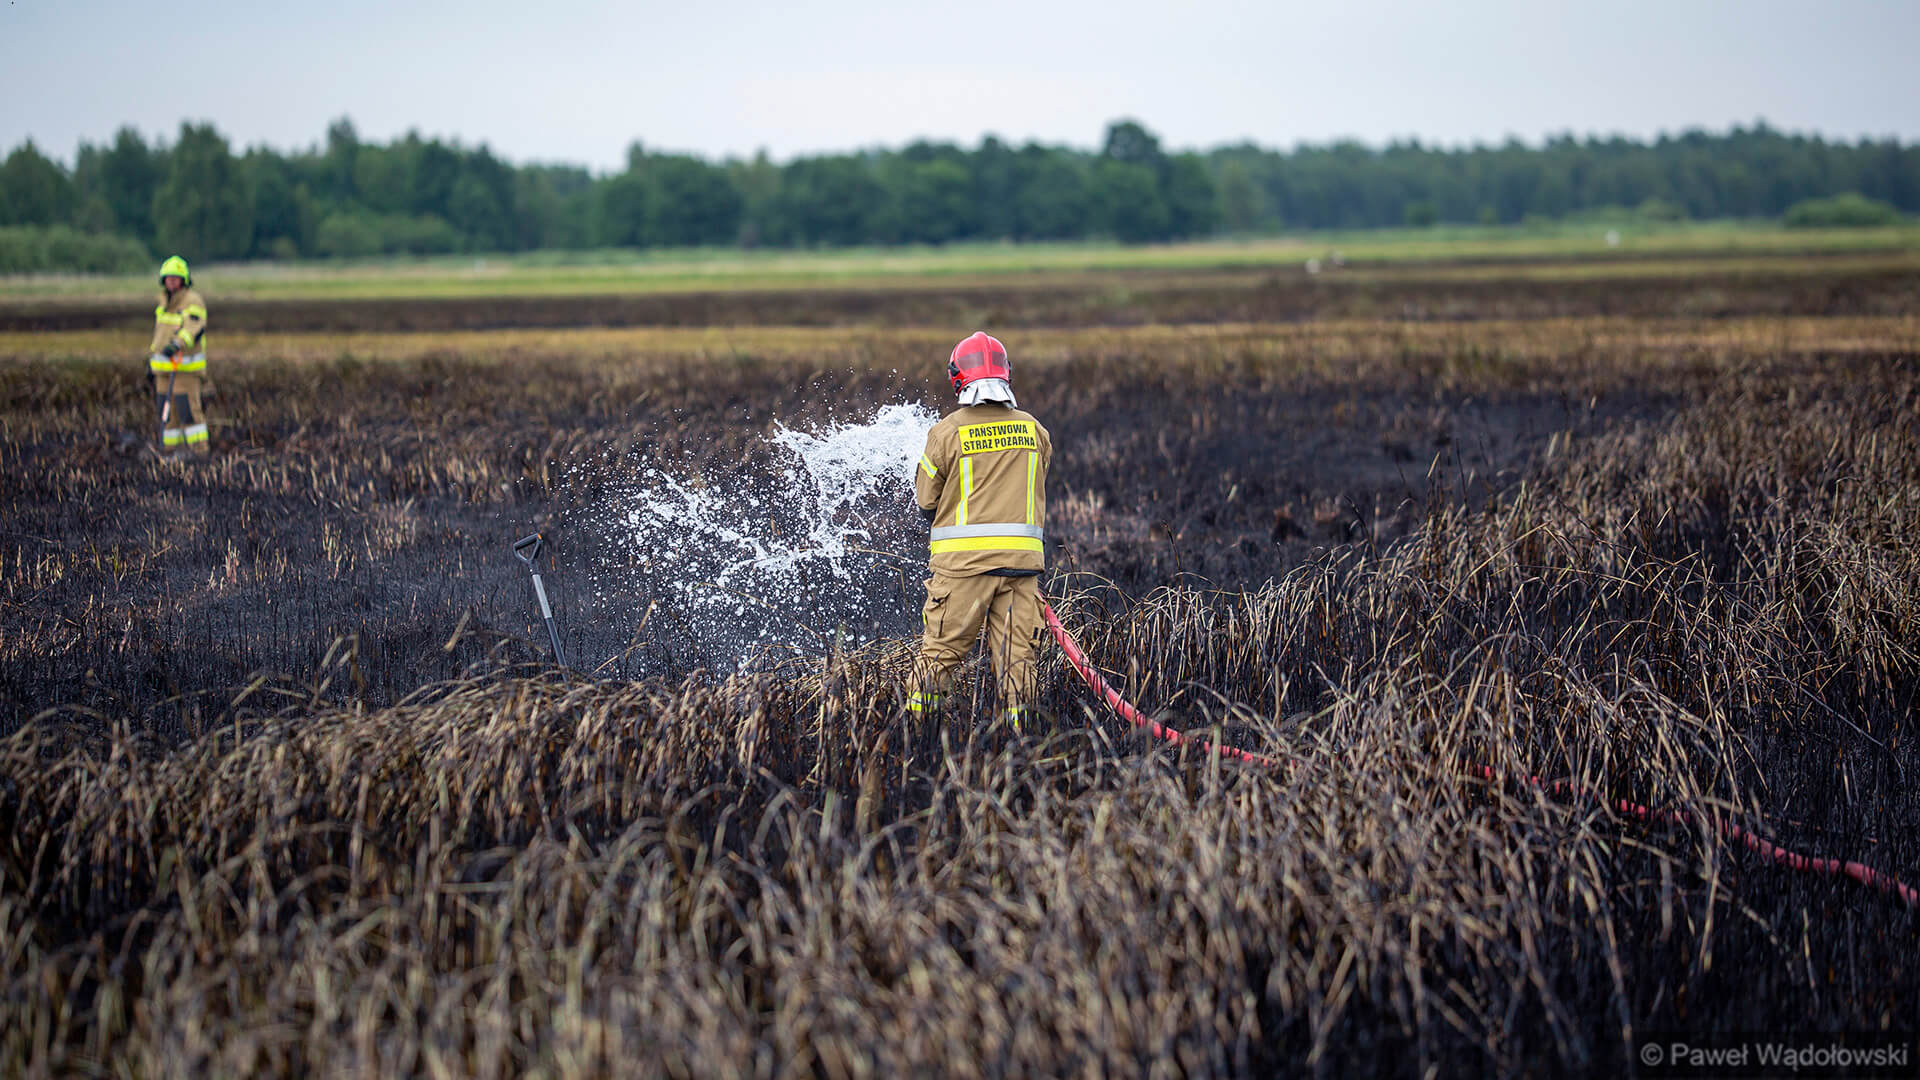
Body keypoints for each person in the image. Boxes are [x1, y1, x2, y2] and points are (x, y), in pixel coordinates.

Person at [907, 331, 1052, 730]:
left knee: (939, 659)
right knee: (1019, 666)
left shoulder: (945, 433)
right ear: (1006, 374)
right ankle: (1020, 748)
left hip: (961, 572)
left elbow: (925, 499)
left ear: (958, 377)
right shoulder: (1034, 431)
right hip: (1021, 572)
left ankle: (920, 740)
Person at [147, 255, 209, 458]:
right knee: (166, 414)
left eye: (176, 278)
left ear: (184, 280)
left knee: (189, 411)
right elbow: (159, 334)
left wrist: (177, 344)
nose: (171, 281)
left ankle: (199, 452)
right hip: (162, 369)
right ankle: (168, 451)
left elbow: (194, 327)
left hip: (185, 369)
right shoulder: (162, 301)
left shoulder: (193, 300)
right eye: (168, 277)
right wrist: (152, 362)